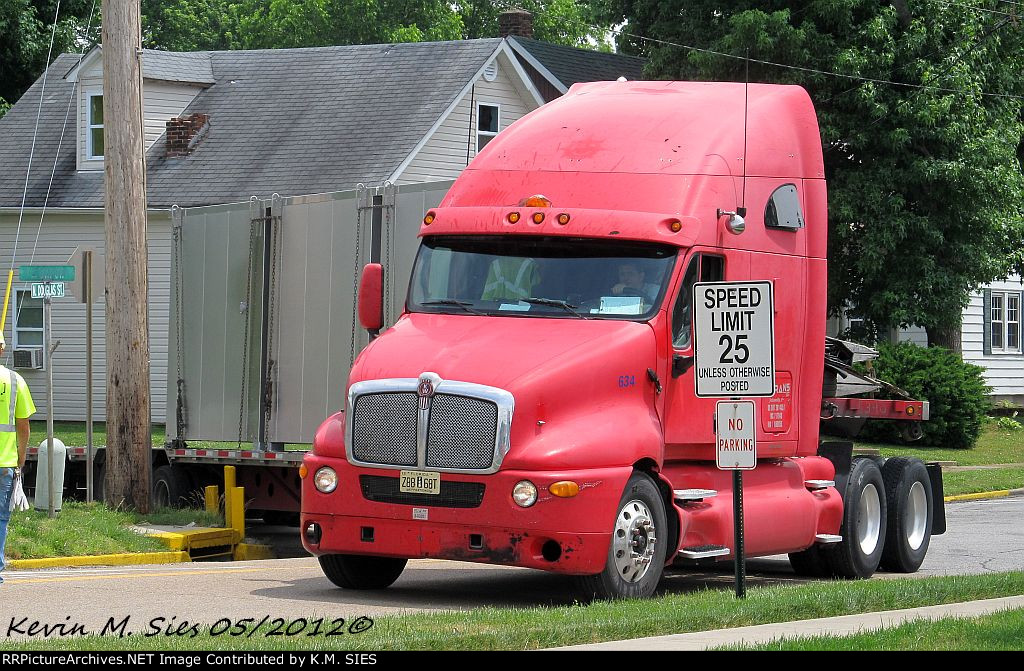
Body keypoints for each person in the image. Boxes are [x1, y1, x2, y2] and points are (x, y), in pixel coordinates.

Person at [0, 329, 36, 585]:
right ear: (2, 349)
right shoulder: (15, 381)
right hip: (5, 463)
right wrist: (20, 459)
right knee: (0, 518)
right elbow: (23, 426)